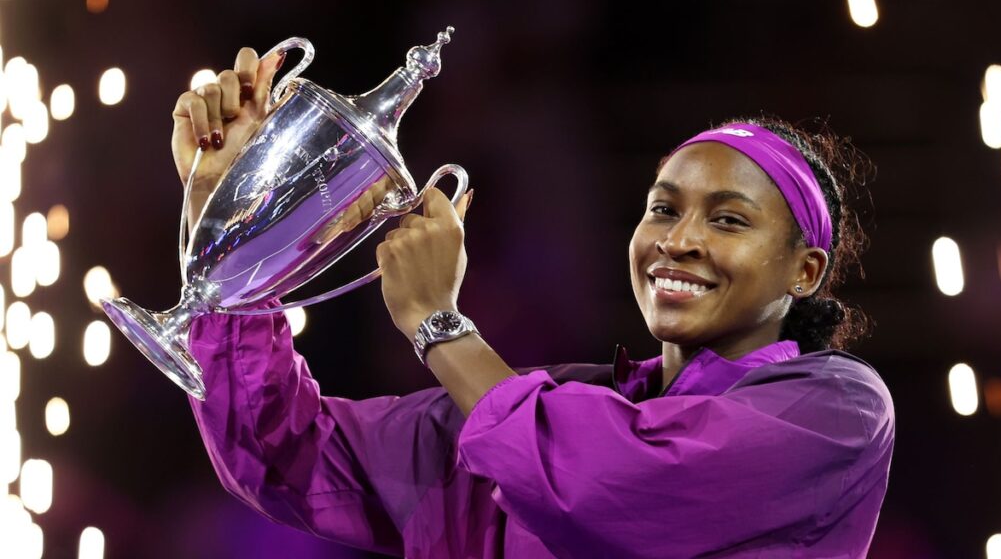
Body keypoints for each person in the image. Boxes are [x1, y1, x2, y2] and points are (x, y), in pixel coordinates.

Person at [173, 47, 895, 558]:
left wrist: (439, 325)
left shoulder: (837, 412)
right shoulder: (546, 402)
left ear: (805, 271)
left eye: (729, 220)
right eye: (662, 209)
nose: (678, 241)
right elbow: (289, 456)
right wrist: (236, 220)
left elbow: (604, 486)